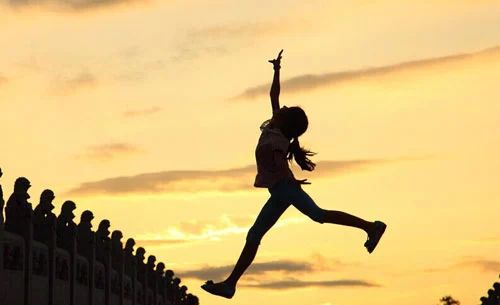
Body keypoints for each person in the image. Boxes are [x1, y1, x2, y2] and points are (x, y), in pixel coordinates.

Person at [201, 50, 387, 299]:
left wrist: (290, 180)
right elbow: (274, 95)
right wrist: (277, 71)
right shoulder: (274, 127)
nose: (283, 105)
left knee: (317, 215)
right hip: (280, 191)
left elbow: (278, 163)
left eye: (286, 109)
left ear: (284, 120)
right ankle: (230, 284)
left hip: (285, 189)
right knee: (256, 234)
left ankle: (371, 227)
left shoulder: (278, 138)